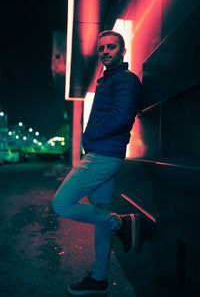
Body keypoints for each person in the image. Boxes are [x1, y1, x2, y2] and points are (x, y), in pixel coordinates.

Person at [52, 30, 141, 296]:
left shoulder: (126, 79)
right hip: (103, 154)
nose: (105, 51)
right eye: (102, 48)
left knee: (61, 203)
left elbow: (122, 116)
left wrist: (89, 135)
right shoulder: (107, 81)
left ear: (122, 51)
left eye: (111, 47)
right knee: (99, 216)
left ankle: (120, 223)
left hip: (104, 156)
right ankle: (99, 278)